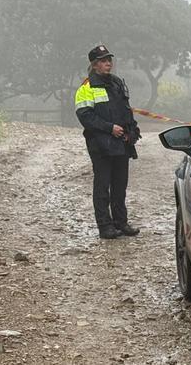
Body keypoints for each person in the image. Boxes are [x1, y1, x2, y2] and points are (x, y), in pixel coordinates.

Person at [74, 45, 141, 239]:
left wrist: (132, 131)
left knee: (120, 186)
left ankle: (121, 222)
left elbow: (126, 110)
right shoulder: (86, 88)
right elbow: (85, 117)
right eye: (103, 61)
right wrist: (109, 127)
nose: (108, 63)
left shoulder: (117, 83)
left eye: (109, 59)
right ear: (95, 65)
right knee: (102, 187)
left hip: (121, 144)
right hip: (100, 145)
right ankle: (105, 226)